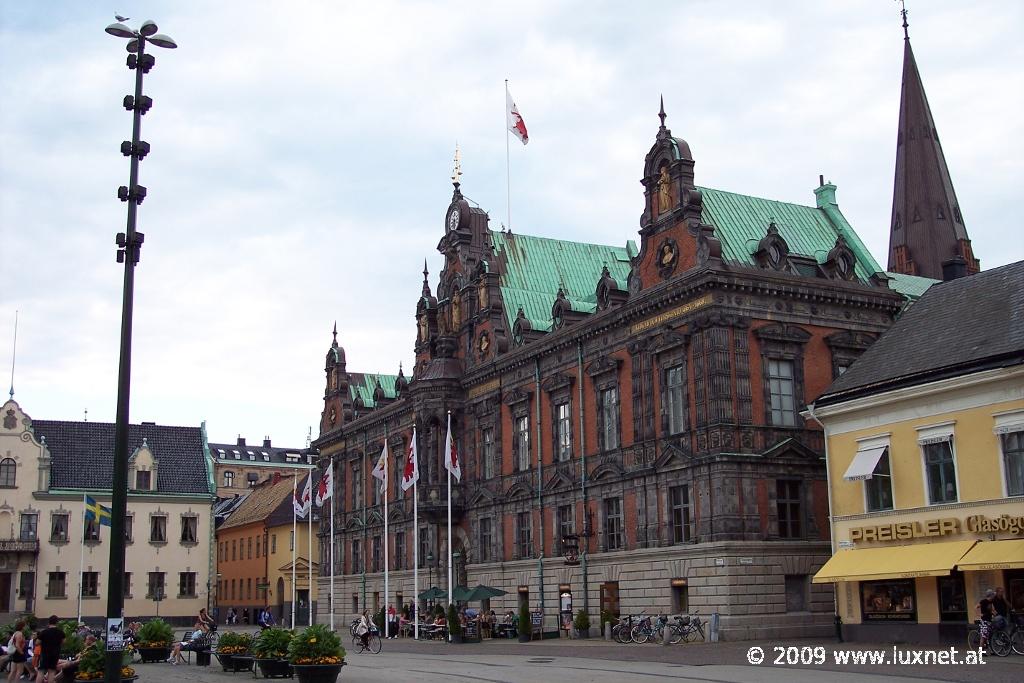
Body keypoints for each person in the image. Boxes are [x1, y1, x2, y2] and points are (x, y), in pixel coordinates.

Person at [36, 616, 64, 683]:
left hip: (45, 653)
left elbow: (37, 643)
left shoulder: (44, 632)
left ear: (49, 622)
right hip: (55, 654)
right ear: (57, 622)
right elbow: (63, 642)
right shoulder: (60, 632)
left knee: (41, 671)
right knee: (51, 671)